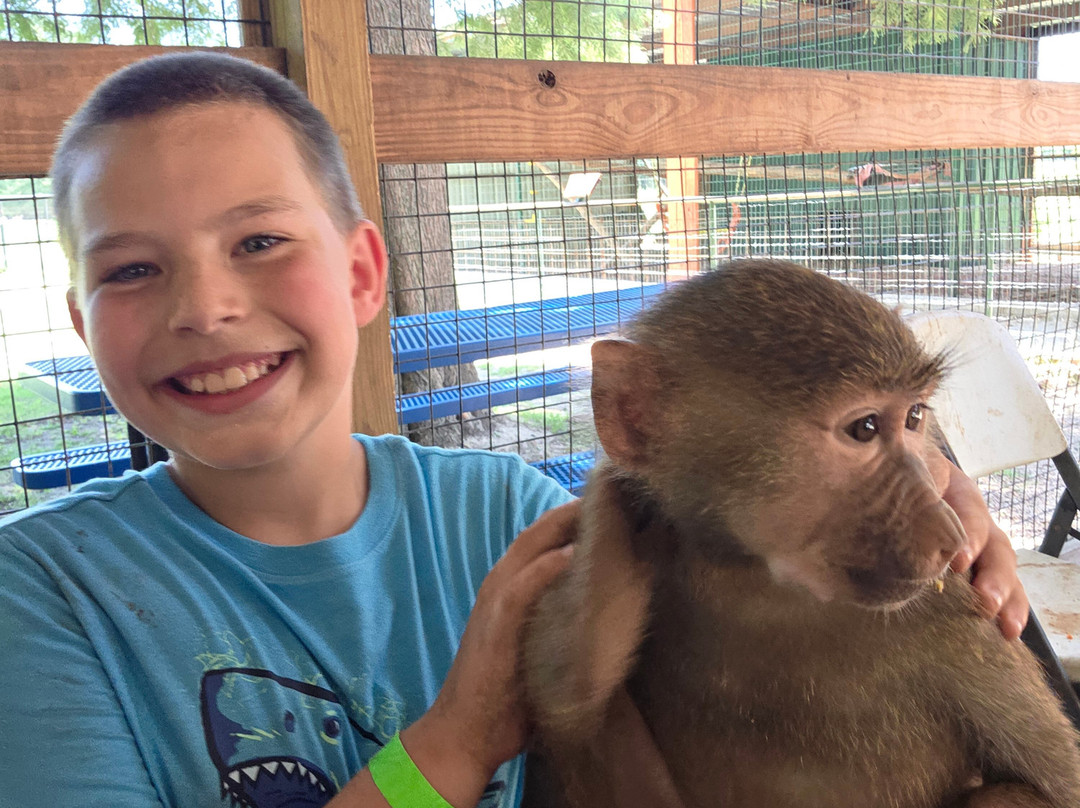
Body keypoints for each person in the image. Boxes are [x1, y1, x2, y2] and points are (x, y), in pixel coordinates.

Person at [0, 52, 1027, 808]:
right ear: (85, 323)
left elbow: (732, 516)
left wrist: (904, 489)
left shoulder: (506, 512)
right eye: (132, 268)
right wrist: (450, 746)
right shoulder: (41, 595)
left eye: (260, 240)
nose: (206, 306)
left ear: (362, 272)